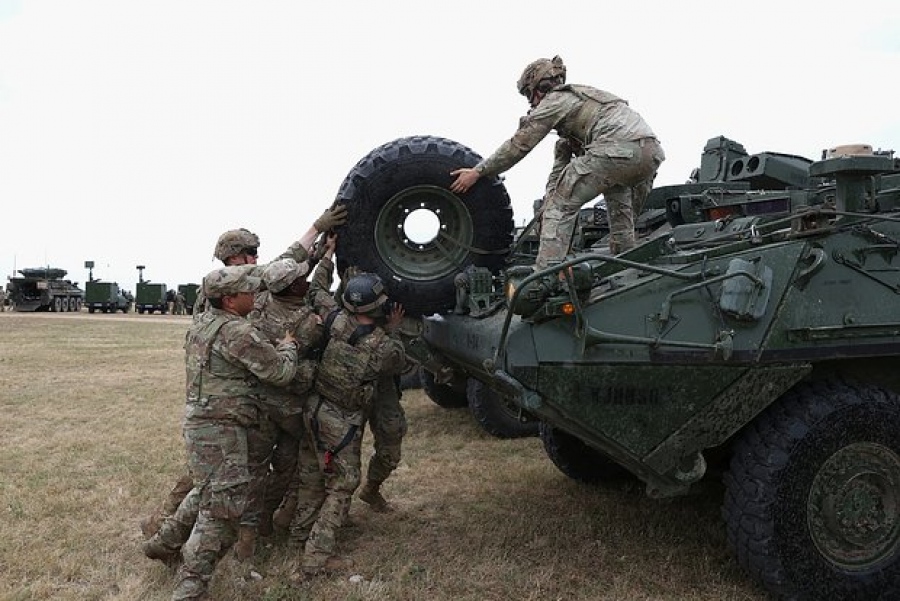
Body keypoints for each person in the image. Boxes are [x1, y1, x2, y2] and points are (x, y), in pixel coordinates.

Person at [141, 204, 347, 542]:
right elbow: (272, 272)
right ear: (234, 258)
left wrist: (314, 249)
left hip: (240, 397)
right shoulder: (222, 292)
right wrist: (314, 231)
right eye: (250, 254)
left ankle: (184, 530)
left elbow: (277, 270)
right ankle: (164, 529)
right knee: (204, 476)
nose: (255, 258)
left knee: (219, 472)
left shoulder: (238, 287)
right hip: (224, 401)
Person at [164, 264, 300, 601]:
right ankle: (191, 587)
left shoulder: (202, 324)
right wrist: (288, 345)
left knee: (207, 491)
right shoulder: (237, 332)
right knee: (223, 510)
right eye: (247, 292)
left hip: (204, 423)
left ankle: (162, 542)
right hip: (222, 429)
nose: (255, 296)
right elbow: (280, 372)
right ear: (228, 300)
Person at [449, 55, 665, 266]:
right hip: (648, 155)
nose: (531, 103)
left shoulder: (556, 100)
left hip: (614, 150)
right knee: (621, 222)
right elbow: (560, 177)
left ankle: (545, 275)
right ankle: (624, 265)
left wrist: (477, 172)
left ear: (540, 87)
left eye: (529, 95)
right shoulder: (587, 98)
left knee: (560, 207)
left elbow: (519, 146)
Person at [289, 270, 407, 579]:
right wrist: (393, 330)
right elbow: (399, 361)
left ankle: (300, 537)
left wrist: (327, 256)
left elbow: (317, 291)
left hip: (314, 409)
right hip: (341, 422)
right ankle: (316, 559)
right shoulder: (384, 347)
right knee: (343, 483)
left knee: (313, 476)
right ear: (380, 307)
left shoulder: (334, 319)